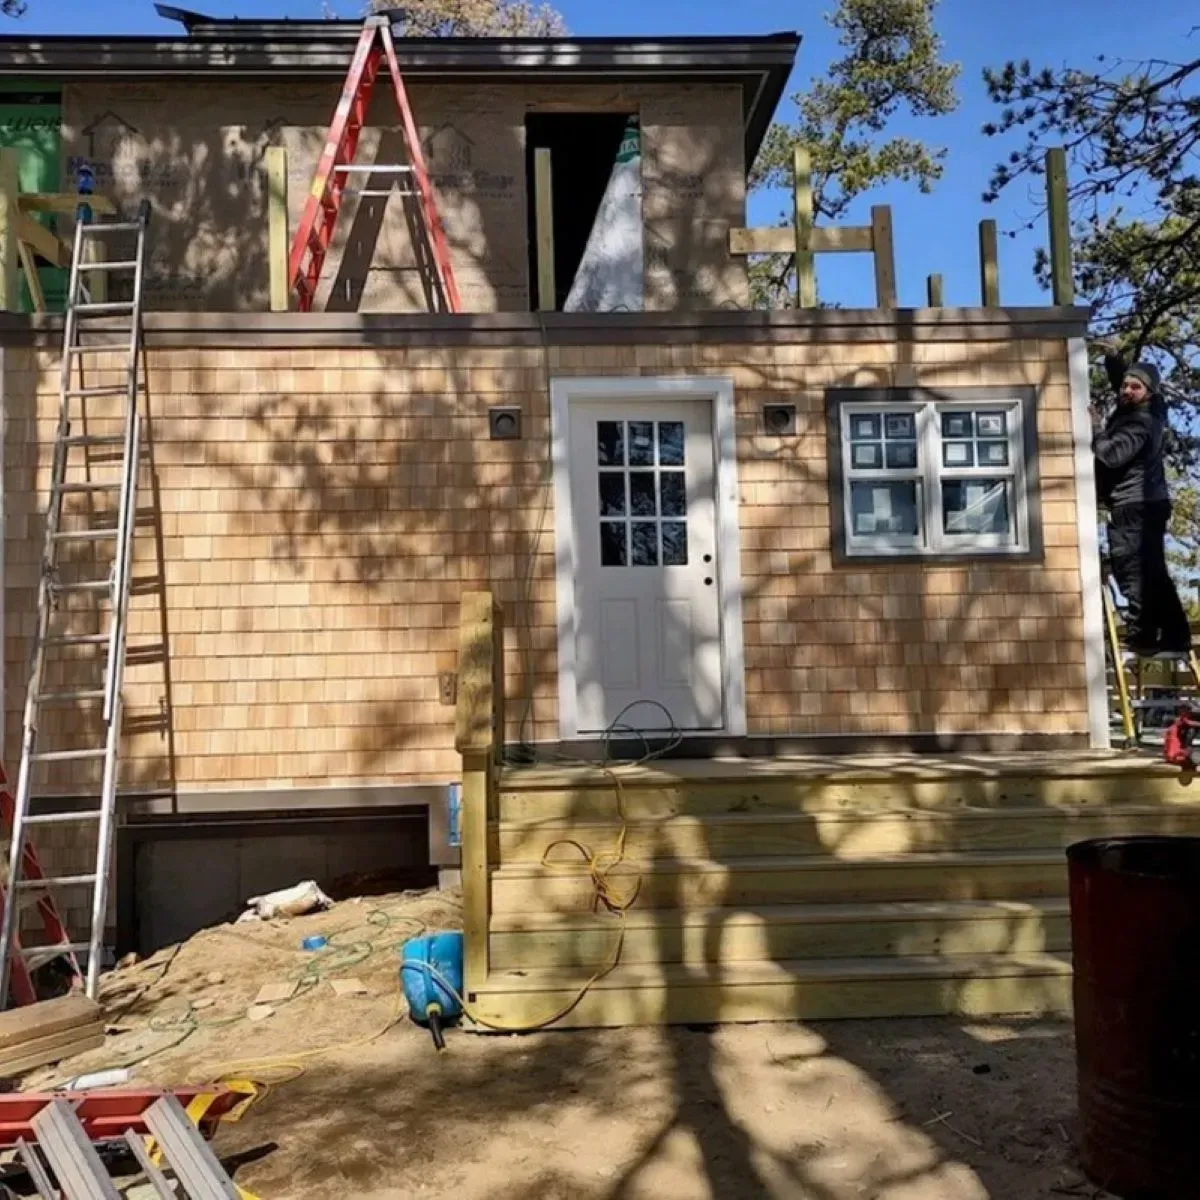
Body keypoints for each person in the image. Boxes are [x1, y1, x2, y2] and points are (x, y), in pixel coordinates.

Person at [1091, 351, 1192, 659]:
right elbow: (1128, 383)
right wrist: (1113, 361)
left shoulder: (1140, 423)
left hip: (1133, 506)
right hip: (1148, 504)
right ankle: (1175, 636)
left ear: (1149, 392)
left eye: (1135, 387)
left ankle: (1144, 637)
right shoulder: (1150, 408)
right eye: (1125, 385)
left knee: (1133, 572)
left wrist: (1094, 428)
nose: (1126, 390)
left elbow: (1111, 455)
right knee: (1153, 572)